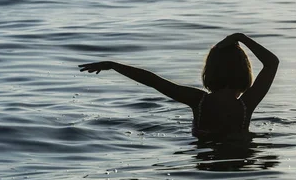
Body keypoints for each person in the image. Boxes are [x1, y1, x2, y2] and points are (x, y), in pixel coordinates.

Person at [79, 33, 279, 138]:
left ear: (210, 71)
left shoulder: (198, 100)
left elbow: (152, 80)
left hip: (203, 154)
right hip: (239, 154)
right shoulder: (247, 104)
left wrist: (114, 65)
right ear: (244, 70)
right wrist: (241, 37)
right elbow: (272, 63)